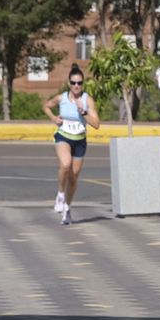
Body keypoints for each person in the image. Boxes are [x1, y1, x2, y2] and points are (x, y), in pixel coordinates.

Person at [44, 64, 100, 225]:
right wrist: (54, 118)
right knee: (65, 164)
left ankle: (67, 208)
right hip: (63, 136)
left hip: (80, 140)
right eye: (74, 83)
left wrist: (84, 112)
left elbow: (96, 124)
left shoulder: (87, 100)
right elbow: (46, 106)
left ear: (83, 84)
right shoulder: (62, 98)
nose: (77, 86)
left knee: (74, 178)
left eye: (80, 83)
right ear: (69, 83)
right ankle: (60, 194)